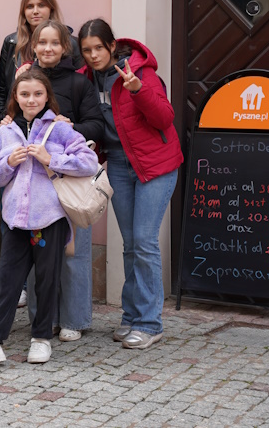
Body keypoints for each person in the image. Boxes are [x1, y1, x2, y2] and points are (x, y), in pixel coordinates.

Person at [0, 70, 98, 367]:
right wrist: (8, 164)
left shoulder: (60, 130)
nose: (31, 99)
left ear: (47, 96)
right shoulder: (5, 132)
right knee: (7, 281)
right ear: (15, 97)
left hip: (49, 219)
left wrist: (53, 160)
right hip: (15, 221)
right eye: (24, 94)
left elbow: (89, 162)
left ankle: (41, 338)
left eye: (38, 94)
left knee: (46, 280)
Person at [78, 18, 182, 349]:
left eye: (98, 48)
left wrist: (137, 90)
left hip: (156, 165)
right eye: (86, 50)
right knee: (129, 243)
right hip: (121, 165)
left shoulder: (139, 72)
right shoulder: (86, 81)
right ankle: (131, 315)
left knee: (144, 240)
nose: (94, 55)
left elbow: (164, 118)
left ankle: (150, 323)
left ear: (111, 46)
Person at [12, 20, 103, 342]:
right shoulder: (25, 80)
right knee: (41, 252)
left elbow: (97, 125)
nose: (48, 48)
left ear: (66, 47)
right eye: (42, 43)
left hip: (70, 179)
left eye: (55, 43)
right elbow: (11, 117)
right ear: (33, 46)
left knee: (73, 254)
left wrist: (72, 125)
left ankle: (75, 320)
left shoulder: (80, 85)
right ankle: (43, 319)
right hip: (34, 183)